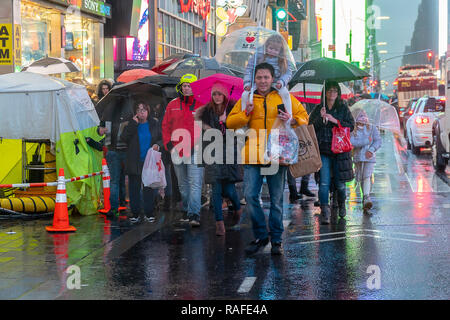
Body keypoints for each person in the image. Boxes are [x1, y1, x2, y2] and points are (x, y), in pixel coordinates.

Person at [227, 63, 309, 255]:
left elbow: (304, 117)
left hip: (277, 153)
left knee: (277, 199)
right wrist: (244, 114)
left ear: (273, 79)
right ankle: (261, 235)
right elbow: (230, 122)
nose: (263, 81)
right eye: (259, 77)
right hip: (253, 154)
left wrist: (292, 119)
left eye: (266, 77)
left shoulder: (283, 96)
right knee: (249, 196)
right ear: (254, 79)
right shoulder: (247, 98)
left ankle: (277, 240)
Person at [194, 82, 243, 236]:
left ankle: (237, 207)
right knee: (215, 189)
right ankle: (219, 223)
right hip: (213, 153)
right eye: (214, 94)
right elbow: (204, 134)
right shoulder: (206, 112)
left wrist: (227, 121)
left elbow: (239, 131)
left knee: (229, 189)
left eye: (220, 94)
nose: (217, 97)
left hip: (229, 153)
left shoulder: (233, 109)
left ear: (225, 95)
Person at [309, 81, 355, 225]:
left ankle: (341, 204)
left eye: (335, 90)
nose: (332, 93)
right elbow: (310, 128)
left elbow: (351, 126)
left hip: (340, 151)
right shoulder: (318, 108)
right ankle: (325, 211)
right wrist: (320, 119)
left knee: (340, 185)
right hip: (323, 150)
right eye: (329, 90)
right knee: (324, 183)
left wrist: (335, 120)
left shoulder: (343, 108)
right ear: (325, 92)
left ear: (338, 93)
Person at [161, 74, 204, 227]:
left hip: (196, 150)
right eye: (184, 85)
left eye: (190, 85)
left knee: (195, 183)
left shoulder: (201, 105)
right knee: (183, 186)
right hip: (176, 151)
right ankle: (186, 210)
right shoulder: (172, 104)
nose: (187, 88)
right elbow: (165, 126)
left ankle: (194, 214)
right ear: (180, 87)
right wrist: (169, 145)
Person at [121, 101, 163, 223]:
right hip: (134, 161)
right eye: (139, 110)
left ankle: (149, 213)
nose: (141, 112)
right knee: (134, 189)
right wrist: (133, 124)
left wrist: (157, 145)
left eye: (144, 110)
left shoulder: (154, 123)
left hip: (149, 162)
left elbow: (161, 138)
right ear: (136, 112)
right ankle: (135, 213)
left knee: (148, 188)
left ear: (148, 111)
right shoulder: (131, 124)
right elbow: (123, 138)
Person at [241, 34, 295, 116]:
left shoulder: (283, 60)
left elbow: (288, 72)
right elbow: (249, 69)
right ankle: (244, 112)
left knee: (286, 94)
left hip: (276, 83)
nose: (273, 51)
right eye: (271, 48)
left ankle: (288, 115)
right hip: (259, 83)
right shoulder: (258, 56)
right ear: (266, 47)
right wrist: (248, 83)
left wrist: (282, 82)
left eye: (276, 50)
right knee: (245, 94)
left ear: (280, 51)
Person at [350, 110, 381, 211]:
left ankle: (367, 197)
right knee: (360, 177)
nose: (363, 118)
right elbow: (353, 142)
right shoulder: (352, 130)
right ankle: (364, 197)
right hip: (358, 157)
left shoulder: (372, 128)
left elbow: (377, 141)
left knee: (367, 176)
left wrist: (371, 150)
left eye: (364, 115)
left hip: (369, 158)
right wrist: (367, 141)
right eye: (360, 116)